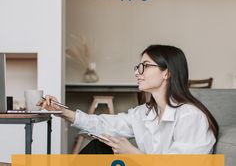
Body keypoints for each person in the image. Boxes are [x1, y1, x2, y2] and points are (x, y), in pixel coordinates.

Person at [39, 44, 218, 155]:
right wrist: (62, 112)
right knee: (99, 147)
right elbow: (104, 125)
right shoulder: (144, 113)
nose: (136, 72)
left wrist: (133, 155)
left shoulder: (190, 116)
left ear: (167, 72)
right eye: (138, 66)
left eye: (145, 66)